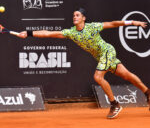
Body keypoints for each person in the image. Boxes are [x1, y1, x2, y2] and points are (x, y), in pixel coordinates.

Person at [2, 8, 150, 119]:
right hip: (100, 57)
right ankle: (147, 93)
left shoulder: (93, 27)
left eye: (77, 15)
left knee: (98, 77)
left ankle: (114, 104)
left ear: (84, 18)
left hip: (107, 51)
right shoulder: (71, 32)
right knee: (127, 76)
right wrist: (28, 33)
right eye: (73, 15)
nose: (74, 17)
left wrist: (133, 22)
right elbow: (48, 33)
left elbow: (112, 24)